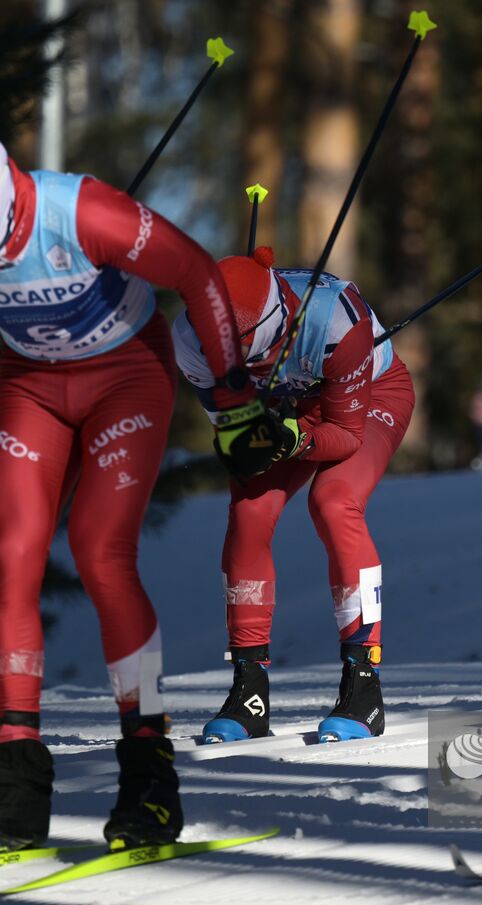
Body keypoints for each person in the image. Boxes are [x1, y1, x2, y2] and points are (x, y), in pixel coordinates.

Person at [0, 122, 282, 854]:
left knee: (101, 553)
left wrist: (233, 399)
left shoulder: (80, 213)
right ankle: (17, 787)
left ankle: (149, 776)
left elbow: (193, 269)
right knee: (11, 558)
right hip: (31, 386)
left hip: (126, 373)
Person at [170, 247, 415, 745]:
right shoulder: (189, 339)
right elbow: (230, 430)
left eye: (247, 353)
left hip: (366, 400)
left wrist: (291, 438)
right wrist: (241, 443)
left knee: (333, 501)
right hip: (286, 410)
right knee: (249, 513)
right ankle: (249, 691)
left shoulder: (336, 318)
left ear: (274, 324)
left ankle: (363, 684)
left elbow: (344, 434)